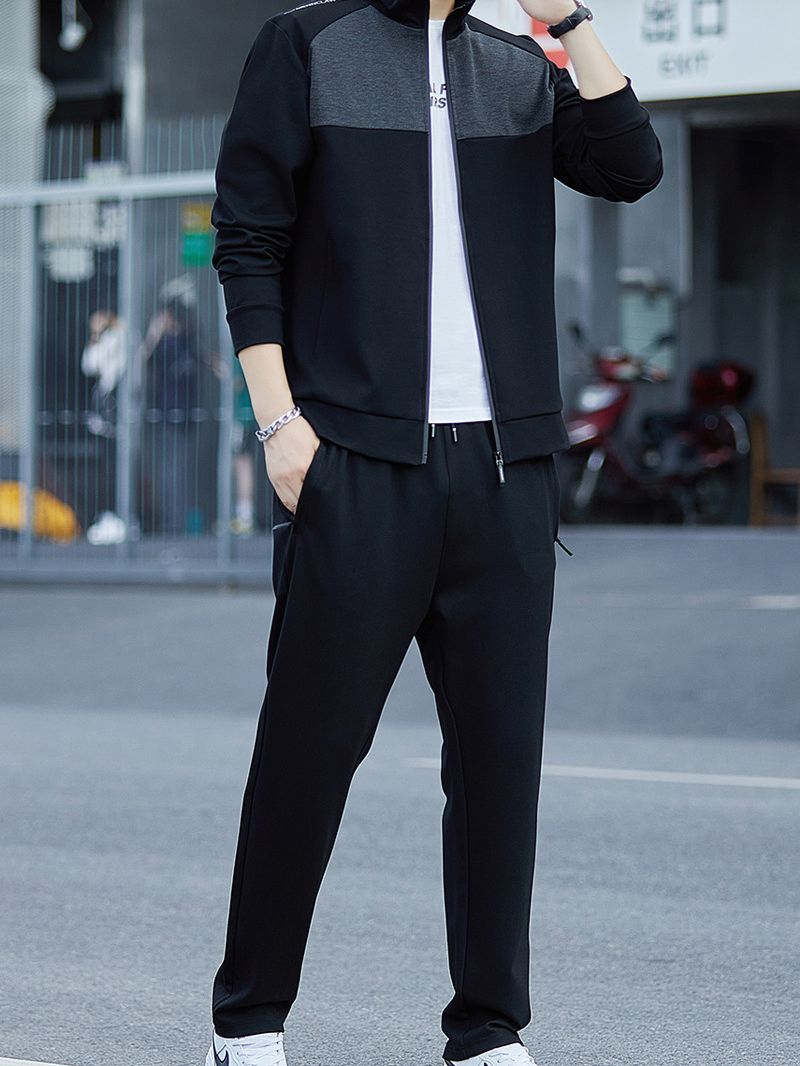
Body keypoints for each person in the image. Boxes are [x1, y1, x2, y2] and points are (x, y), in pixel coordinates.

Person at [206, 0, 662, 1062]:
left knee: (499, 765)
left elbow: (629, 166)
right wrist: (280, 426)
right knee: (308, 754)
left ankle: (487, 1028)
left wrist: (568, 21)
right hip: (356, 461)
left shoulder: (517, 69)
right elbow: (249, 238)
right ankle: (248, 1021)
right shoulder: (308, 46)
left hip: (506, 468)